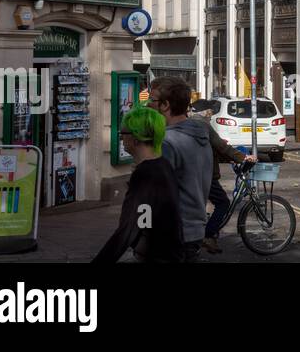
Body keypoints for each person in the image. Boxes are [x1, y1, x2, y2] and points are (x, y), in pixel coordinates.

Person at [93, 106, 184, 263]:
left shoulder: (145, 174)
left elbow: (128, 229)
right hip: (167, 254)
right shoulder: (162, 165)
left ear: (136, 138)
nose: (121, 138)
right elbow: (147, 215)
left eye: (123, 133)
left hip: (157, 257)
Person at [147, 77, 212, 261]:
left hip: (173, 233)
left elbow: (158, 193)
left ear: (165, 105)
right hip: (195, 231)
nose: (148, 105)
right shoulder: (200, 135)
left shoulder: (168, 142)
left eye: (152, 100)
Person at [194, 105, 255, 254]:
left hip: (197, 173)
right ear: (205, 114)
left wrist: (229, 159)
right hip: (205, 174)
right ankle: (208, 236)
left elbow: (213, 149)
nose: (210, 117)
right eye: (209, 114)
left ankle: (210, 237)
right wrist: (243, 157)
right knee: (223, 203)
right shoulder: (203, 125)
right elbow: (221, 146)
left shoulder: (192, 124)